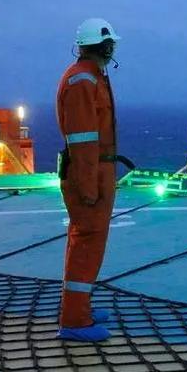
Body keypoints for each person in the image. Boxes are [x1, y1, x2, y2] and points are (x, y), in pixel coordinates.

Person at [56, 17, 122, 342]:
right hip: (91, 172)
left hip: (96, 170)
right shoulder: (83, 81)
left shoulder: (91, 77)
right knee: (87, 244)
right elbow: (83, 140)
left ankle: (80, 306)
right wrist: (88, 186)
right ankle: (75, 321)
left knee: (87, 243)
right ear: (105, 46)